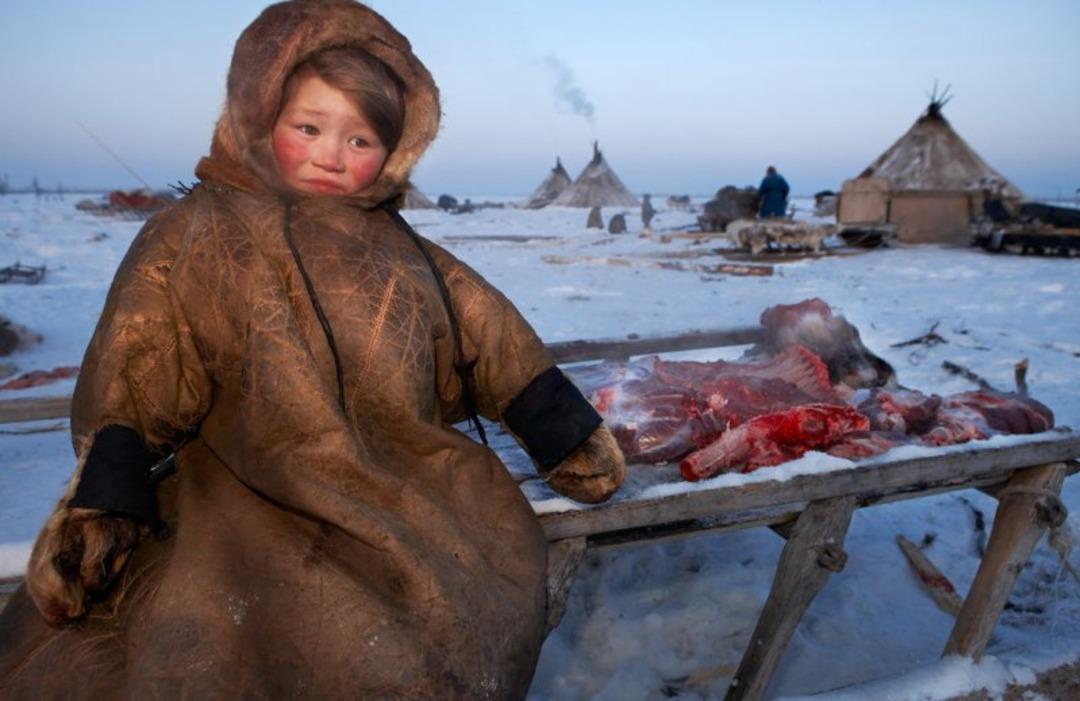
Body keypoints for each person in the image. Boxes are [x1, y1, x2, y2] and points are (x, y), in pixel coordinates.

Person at [0, 1, 625, 698]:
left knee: (451, 615)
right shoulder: (193, 235)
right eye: (310, 128)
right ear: (259, 117)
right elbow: (138, 359)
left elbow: (492, 335)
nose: (333, 154)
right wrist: (105, 499)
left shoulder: (407, 253)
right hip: (245, 490)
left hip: (416, 484)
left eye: (362, 141)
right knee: (226, 642)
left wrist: (562, 431)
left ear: (397, 149)